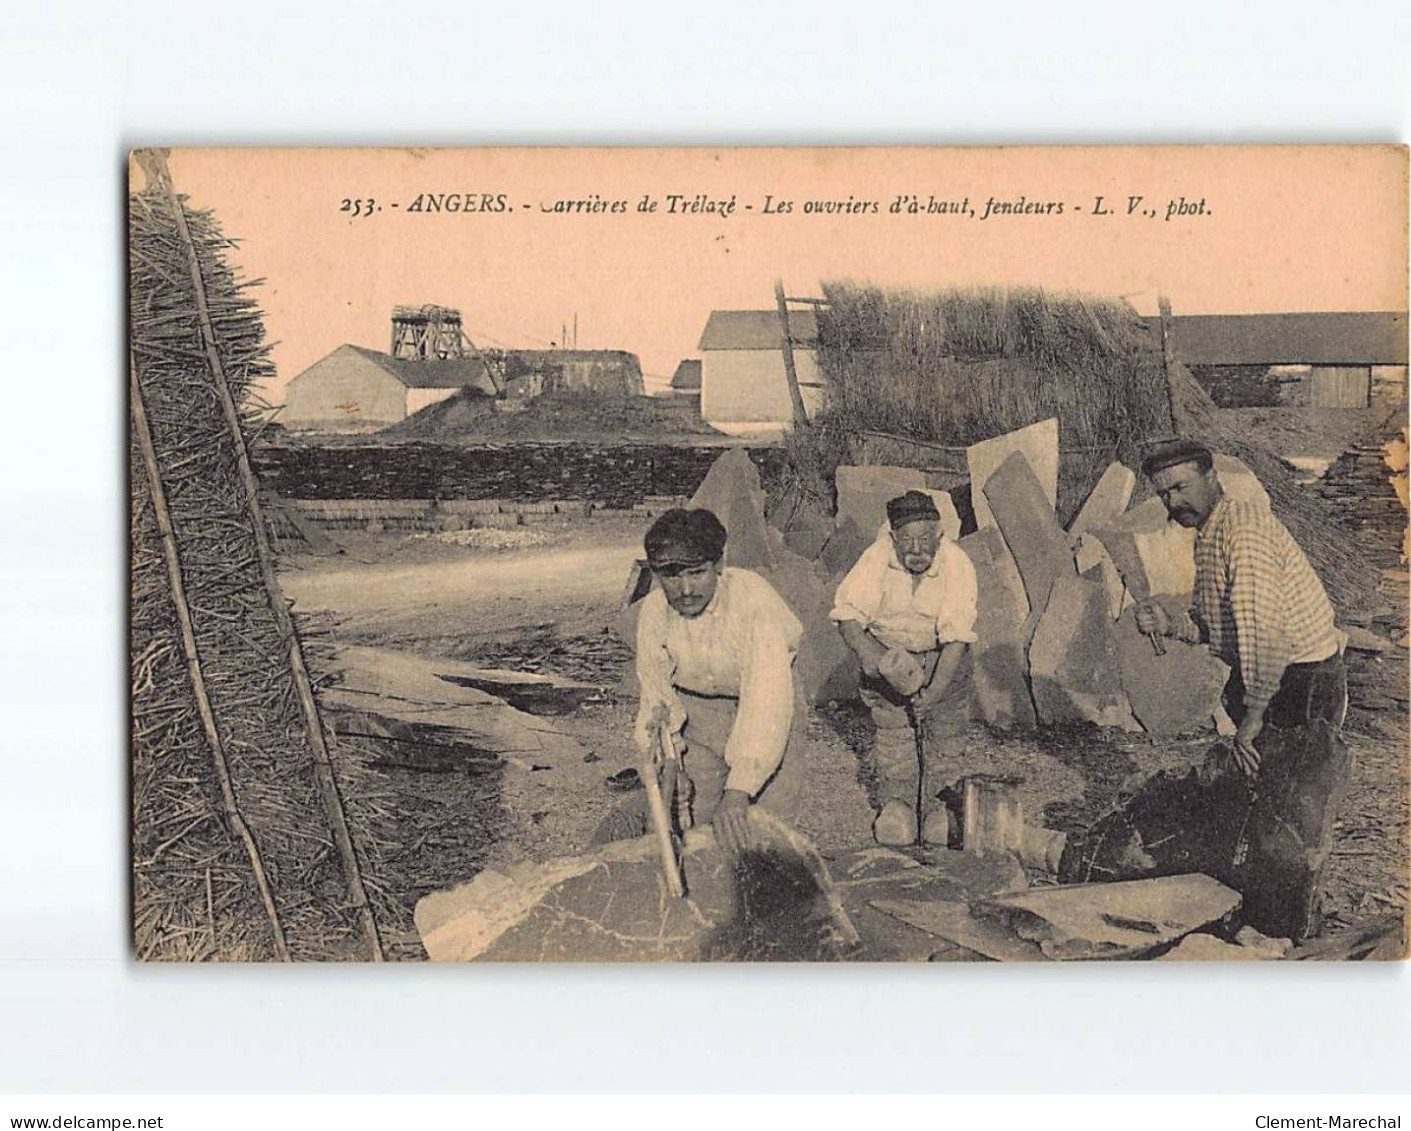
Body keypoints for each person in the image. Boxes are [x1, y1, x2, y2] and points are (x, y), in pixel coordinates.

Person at [1133, 439, 1347, 776]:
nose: (1173, 502)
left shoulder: (1243, 532)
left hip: (1301, 683)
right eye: (1163, 494)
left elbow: (1264, 635)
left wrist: (1254, 717)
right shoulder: (1210, 530)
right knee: (1269, 797)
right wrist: (1169, 623)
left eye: (1180, 487)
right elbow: (1221, 624)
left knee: (1293, 798)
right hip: (1278, 677)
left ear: (1211, 478)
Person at [631, 507, 806, 854]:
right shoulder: (654, 611)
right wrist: (667, 760)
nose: (685, 589)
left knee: (760, 828)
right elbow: (655, 696)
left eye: (697, 573)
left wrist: (739, 790)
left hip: (768, 699)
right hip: (698, 707)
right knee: (697, 825)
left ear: (719, 564)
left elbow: (766, 702)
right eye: (671, 576)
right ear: (655, 574)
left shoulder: (754, 605)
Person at [830, 490, 978, 847]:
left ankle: (939, 809)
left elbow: (957, 639)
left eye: (925, 539)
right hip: (887, 655)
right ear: (893, 537)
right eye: (907, 540)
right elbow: (847, 614)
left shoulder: (957, 565)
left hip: (943, 658)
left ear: (938, 537)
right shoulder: (876, 558)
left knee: (944, 737)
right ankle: (897, 805)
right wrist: (873, 658)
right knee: (895, 737)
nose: (916, 549)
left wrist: (936, 691)